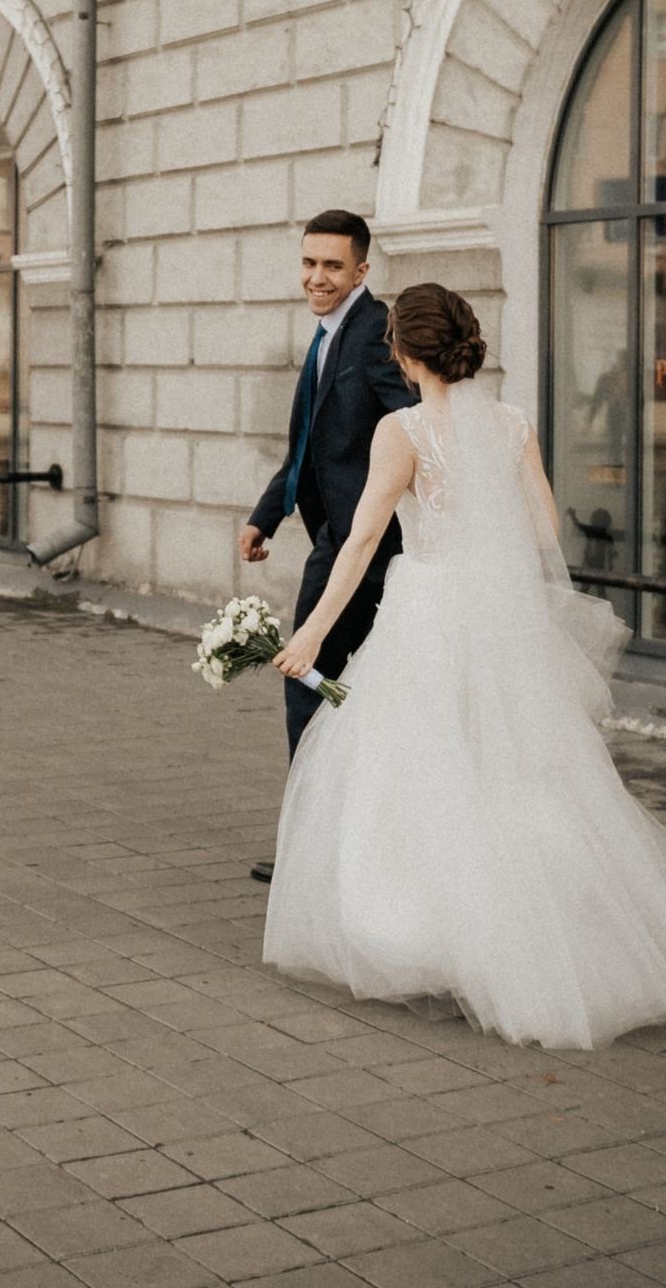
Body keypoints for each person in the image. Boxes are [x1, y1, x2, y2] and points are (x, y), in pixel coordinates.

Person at [265, 284, 666, 1048]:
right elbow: (544, 527)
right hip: (496, 613)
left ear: (403, 350)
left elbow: (359, 543)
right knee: (515, 771)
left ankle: (429, 938)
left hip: (426, 614)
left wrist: (315, 633)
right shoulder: (512, 423)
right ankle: (543, 941)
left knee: (419, 769)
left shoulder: (404, 429)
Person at [240, 212, 417, 884]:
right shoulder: (329, 334)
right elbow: (310, 442)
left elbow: (415, 422)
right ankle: (349, 833)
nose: (318, 276)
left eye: (333, 266)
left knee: (309, 685)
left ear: (362, 272)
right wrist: (268, 513)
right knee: (346, 690)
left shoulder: (374, 333)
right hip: (334, 537)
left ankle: (314, 848)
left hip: (362, 548)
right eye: (309, 262)